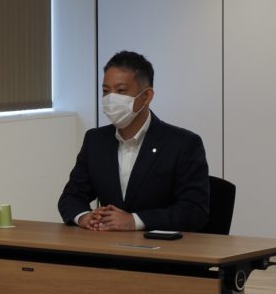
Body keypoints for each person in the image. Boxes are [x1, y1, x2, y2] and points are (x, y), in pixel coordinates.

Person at [58, 50, 209, 232]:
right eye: (106, 91)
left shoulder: (183, 144)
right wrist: (84, 217)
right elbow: (71, 197)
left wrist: (135, 220)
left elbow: (194, 211)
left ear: (146, 96)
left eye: (121, 91)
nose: (111, 98)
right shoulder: (95, 140)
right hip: (107, 243)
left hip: (163, 246)